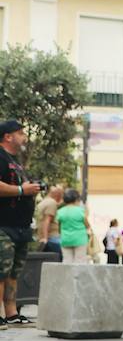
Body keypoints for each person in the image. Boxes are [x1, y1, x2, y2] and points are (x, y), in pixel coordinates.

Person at [0, 119, 42, 325]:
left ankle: (11, 314)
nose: (24, 137)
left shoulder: (15, 161)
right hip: (3, 225)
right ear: (8, 136)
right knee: (1, 270)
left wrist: (30, 189)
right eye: (20, 133)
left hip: (21, 227)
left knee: (13, 273)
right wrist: (20, 190)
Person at [56, 189, 93, 263]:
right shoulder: (80, 211)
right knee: (80, 260)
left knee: (67, 260)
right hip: (80, 239)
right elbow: (87, 225)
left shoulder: (60, 211)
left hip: (65, 239)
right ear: (76, 200)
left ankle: (67, 271)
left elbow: (59, 226)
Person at [35, 185, 62, 255]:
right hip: (52, 237)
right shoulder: (52, 203)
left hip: (41, 237)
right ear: (57, 194)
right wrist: (45, 238)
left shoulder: (43, 202)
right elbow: (47, 221)